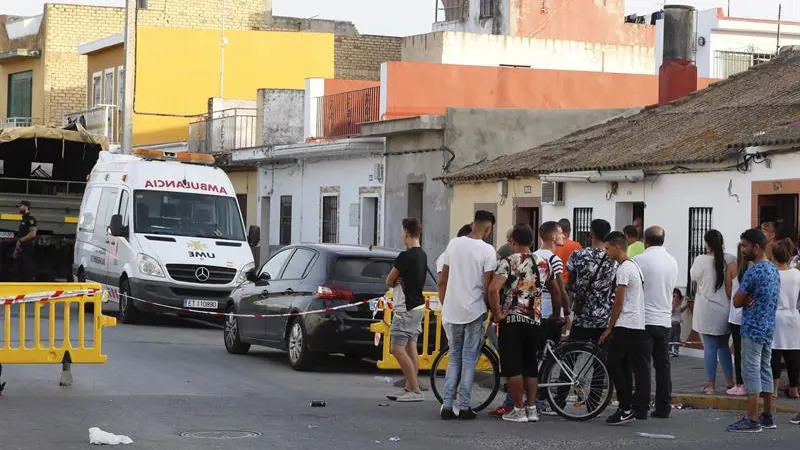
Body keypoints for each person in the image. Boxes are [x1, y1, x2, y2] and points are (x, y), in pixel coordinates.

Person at [488, 221, 571, 418]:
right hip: (534, 319)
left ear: (513, 241)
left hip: (513, 319)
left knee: (513, 367)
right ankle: (532, 409)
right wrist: (554, 315)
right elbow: (557, 292)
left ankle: (517, 409)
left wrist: (498, 312)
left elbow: (493, 289)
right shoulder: (543, 263)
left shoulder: (508, 262)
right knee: (530, 366)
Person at [438, 210, 498, 420]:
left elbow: (443, 279)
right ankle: (464, 406)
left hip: (452, 310)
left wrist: (446, 303)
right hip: (474, 310)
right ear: (488, 229)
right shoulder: (488, 250)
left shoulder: (454, 244)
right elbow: (487, 284)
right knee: (469, 359)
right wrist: (491, 309)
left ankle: (447, 405)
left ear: (473, 224)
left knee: (454, 358)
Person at [727, 228, 780, 433]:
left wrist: (745, 298)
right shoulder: (773, 269)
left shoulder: (753, 271)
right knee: (765, 369)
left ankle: (752, 418)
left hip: (752, 329)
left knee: (750, 371)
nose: (743, 250)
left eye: (746, 246)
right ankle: (767, 415)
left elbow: (737, 300)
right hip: (768, 327)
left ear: (756, 247)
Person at [599, 231, 651, 426]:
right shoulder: (634, 266)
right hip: (636, 324)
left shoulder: (623, 269)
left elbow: (618, 302)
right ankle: (626, 407)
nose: (606, 252)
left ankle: (626, 407)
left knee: (613, 364)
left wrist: (609, 327)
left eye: (607, 248)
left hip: (626, 324)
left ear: (617, 247)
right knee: (625, 367)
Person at [633, 225, 678, 419]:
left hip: (644, 319)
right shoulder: (672, 261)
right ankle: (663, 406)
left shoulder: (639, 260)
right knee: (663, 365)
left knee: (642, 365)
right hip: (664, 319)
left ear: (646, 240)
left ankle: (641, 407)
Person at [385, 218, 427, 402]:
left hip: (405, 307)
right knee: (411, 347)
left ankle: (415, 390)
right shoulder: (423, 255)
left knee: (396, 348)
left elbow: (388, 280)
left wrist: (395, 281)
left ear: (406, 234)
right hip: (418, 305)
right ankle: (410, 386)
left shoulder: (405, 256)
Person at [690, 229, 735, 394]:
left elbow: (694, 278)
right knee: (723, 345)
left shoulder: (700, 260)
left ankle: (710, 384)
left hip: (707, 309)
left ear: (707, 244)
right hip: (724, 308)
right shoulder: (730, 259)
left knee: (709, 347)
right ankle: (730, 381)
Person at [567, 219, 617, 344]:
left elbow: (570, 283)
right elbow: (615, 286)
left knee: (570, 355)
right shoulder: (613, 259)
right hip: (604, 317)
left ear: (591, 234)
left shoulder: (577, 255)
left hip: (582, 317)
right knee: (601, 359)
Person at [769, 238, 800, 400]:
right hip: (793, 316)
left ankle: (773, 389)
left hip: (776, 315)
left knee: (774, 352)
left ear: (774, 256)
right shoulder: (796, 274)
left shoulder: (772, 273)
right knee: (793, 354)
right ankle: (794, 388)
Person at [726, 244, 749, 396]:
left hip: (735, 315)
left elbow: (728, 292)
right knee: (751, 352)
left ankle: (740, 383)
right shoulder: (754, 268)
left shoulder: (732, 268)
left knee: (738, 352)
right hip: (749, 315)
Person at [14, 200, 37, 282]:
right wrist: (16, 249)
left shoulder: (30, 219)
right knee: (21, 271)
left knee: (27, 270)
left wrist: (21, 240)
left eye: (20, 206)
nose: (19, 208)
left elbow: (33, 233)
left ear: (26, 207)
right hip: (21, 249)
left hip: (27, 248)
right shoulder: (23, 220)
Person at [555, 218, 582, 285]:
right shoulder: (576, 246)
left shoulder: (553, 245)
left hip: (554, 283)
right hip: (569, 283)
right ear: (570, 230)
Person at [670, 289, 688, 357]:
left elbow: (680, 311)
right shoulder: (671, 303)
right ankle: (669, 351)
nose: (675, 298)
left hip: (677, 324)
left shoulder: (678, 303)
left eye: (677, 297)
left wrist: (686, 306)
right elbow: (671, 311)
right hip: (671, 324)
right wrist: (674, 305)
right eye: (674, 296)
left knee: (676, 338)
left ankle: (676, 351)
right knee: (670, 338)